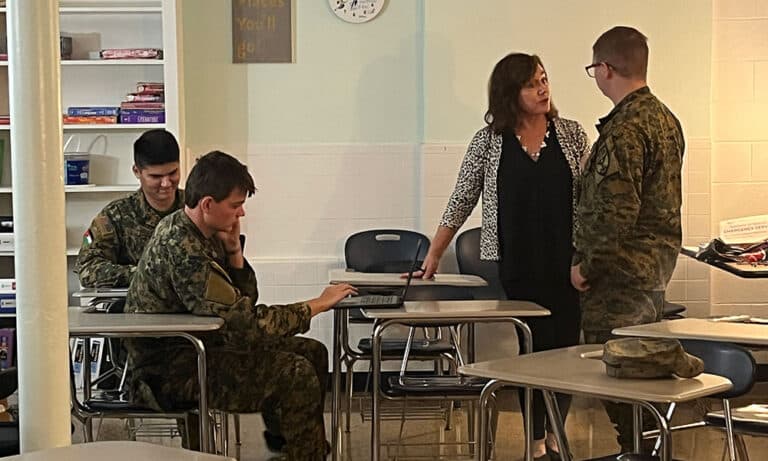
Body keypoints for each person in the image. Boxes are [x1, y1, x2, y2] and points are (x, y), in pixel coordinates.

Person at [124, 151, 356, 460]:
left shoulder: (199, 233)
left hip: (198, 350)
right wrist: (316, 305)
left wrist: (234, 253)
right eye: (235, 205)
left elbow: (243, 302)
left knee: (313, 352)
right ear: (207, 204)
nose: (242, 213)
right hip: (167, 373)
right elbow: (247, 326)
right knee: (294, 372)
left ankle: (288, 445)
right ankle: (307, 455)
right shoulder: (182, 247)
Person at [421, 53, 590, 461]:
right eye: (533, 84)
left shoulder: (571, 133)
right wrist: (434, 252)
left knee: (565, 350)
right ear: (510, 93)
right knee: (534, 351)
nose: (544, 89)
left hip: (566, 263)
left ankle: (555, 434)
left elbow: (591, 200)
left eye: (545, 79)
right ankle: (534, 440)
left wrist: (589, 256)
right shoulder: (488, 141)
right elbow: (462, 197)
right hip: (519, 265)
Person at [572, 26, 684, 454]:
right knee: (643, 378)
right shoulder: (665, 120)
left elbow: (616, 213)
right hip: (652, 272)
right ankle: (643, 451)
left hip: (619, 278)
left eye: (592, 68)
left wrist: (586, 266)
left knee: (623, 378)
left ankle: (638, 453)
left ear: (605, 68)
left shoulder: (624, 130)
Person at [75, 128, 183, 288]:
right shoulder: (114, 216)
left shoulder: (196, 208)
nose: (166, 183)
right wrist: (145, 274)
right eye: (156, 177)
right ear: (137, 171)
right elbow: (87, 267)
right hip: (133, 308)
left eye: (172, 173)